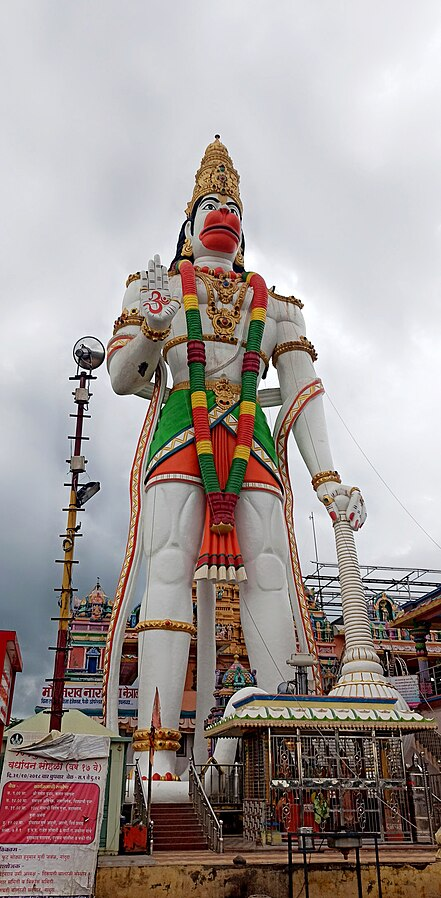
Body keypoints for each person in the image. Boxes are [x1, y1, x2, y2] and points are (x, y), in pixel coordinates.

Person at [104, 137, 366, 777]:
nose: (224, 211)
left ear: (242, 230)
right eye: (210, 204)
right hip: (179, 436)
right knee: (166, 568)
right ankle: (157, 761)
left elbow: (301, 392)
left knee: (273, 575)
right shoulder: (155, 286)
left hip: (255, 446)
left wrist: (327, 479)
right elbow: (120, 375)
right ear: (190, 225)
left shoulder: (278, 306)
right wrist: (156, 327)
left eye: (233, 205)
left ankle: (271, 757)